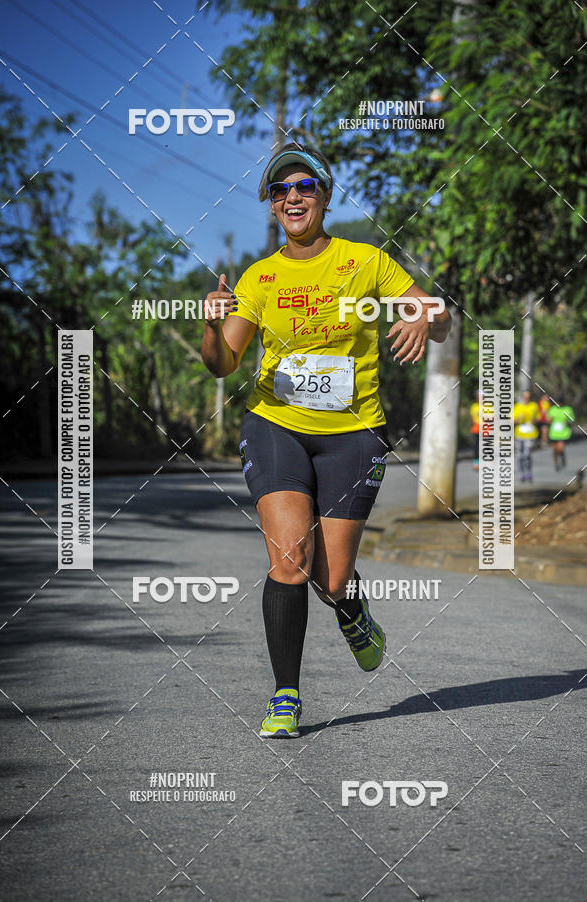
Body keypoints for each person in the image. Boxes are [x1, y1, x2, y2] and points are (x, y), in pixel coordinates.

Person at [201, 143, 451, 738]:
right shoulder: (260, 278)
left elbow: (439, 317)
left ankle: (352, 608)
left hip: (353, 432)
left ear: (325, 196)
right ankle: (285, 696)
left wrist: (423, 315)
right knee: (289, 559)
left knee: (330, 580)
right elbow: (222, 364)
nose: (293, 196)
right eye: (280, 189)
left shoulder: (366, 262)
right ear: (271, 205)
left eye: (305, 186)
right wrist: (212, 325)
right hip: (276, 425)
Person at [513, 389, 540, 482]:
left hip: (530, 434)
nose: (526, 399)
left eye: (528, 397)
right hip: (519, 435)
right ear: (522, 397)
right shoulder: (517, 407)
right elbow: (511, 420)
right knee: (520, 455)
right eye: (525, 397)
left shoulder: (534, 406)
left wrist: (534, 420)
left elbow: (538, 418)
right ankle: (522, 473)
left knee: (527, 454)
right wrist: (518, 419)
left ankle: (528, 472)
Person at [547, 399, 575, 470]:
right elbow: (548, 420)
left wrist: (567, 421)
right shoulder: (552, 409)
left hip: (563, 433)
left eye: (560, 403)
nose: (558, 404)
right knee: (554, 450)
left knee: (560, 448)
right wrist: (550, 420)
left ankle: (562, 456)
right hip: (553, 433)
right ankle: (556, 464)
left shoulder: (567, 409)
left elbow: (572, 420)